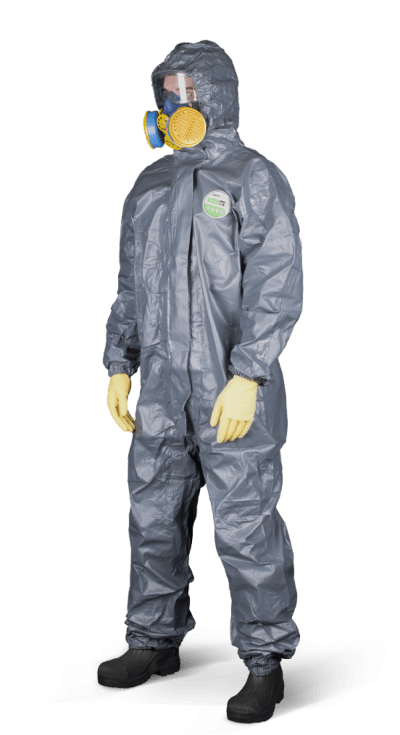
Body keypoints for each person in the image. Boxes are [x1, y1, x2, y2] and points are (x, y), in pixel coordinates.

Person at [98, 39, 304, 725]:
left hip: (228, 390)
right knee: (153, 516)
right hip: (160, 390)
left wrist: (249, 374)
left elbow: (277, 282)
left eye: (179, 96)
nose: (167, 109)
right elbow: (130, 286)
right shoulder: (148, 187)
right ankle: (153, 642)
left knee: (245, 524)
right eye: (163, 97)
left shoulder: (253, 178)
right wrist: (119, 363)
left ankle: (265, 663)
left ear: (211, 98)